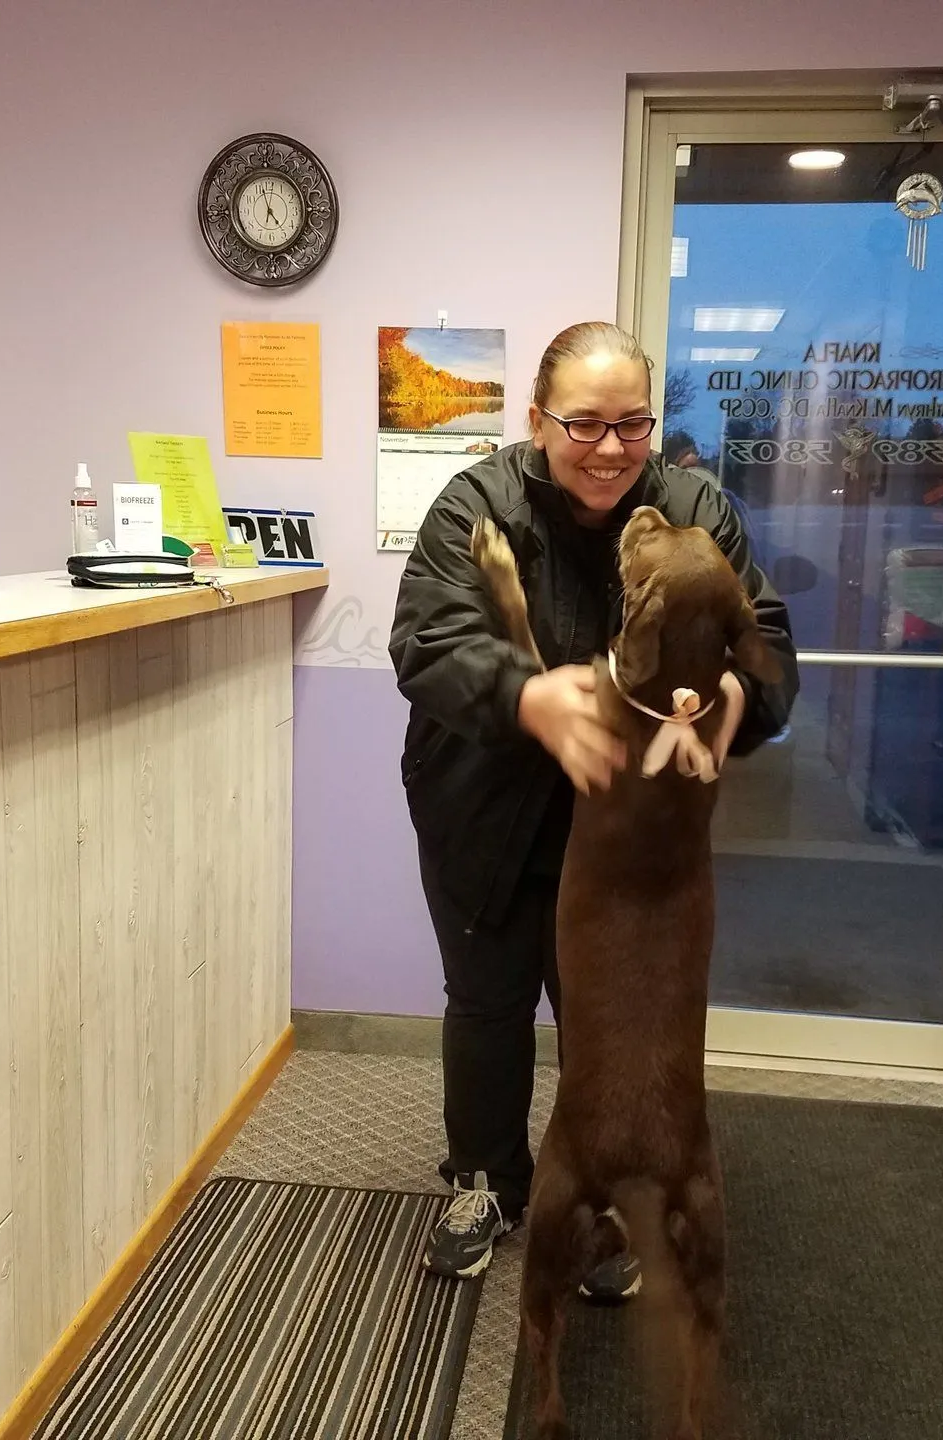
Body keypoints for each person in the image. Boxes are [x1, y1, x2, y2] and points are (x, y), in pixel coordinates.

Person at [388, 322, 799, 1296]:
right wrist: (526, 697)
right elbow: (426, 640)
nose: (611, 448)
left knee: (605, 1019)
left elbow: (766, 640)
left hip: (626, 832)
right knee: (486, 1000)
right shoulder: (473, 505)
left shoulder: (696, 509)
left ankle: (604, 1199)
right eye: (584, 424)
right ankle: (484, 1182)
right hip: (482, 808)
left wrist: (744, 700)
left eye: (633, 424)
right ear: (536, 420)